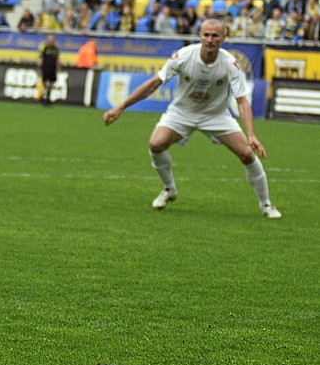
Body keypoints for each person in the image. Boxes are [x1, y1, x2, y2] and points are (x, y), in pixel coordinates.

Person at [103, 19, 281, 218]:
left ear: (224, 38)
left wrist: (251, 134)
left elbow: (242, 101)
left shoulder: (230, 64)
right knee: (155, 144)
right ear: (200, 36)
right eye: (206, 35)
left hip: (216, 115)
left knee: (247, 154)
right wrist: (120, 107)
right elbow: (154, 83)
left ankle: (266, 205)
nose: (210, 40)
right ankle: (169, 189)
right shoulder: (184, 56)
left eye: (215, 36)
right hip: (182, 112)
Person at [38, 33, 61, 104]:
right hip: (45, 67)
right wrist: (39, 67)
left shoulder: (56, 48)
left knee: (51, 82)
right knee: (44, 82)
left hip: (53, 68)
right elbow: (40, 57)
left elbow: (57, 59)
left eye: (52, 39)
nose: (51, 40)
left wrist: (58, 68)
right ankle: (43, 96)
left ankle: (48, 96)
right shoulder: (44, 46)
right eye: (50, 38)